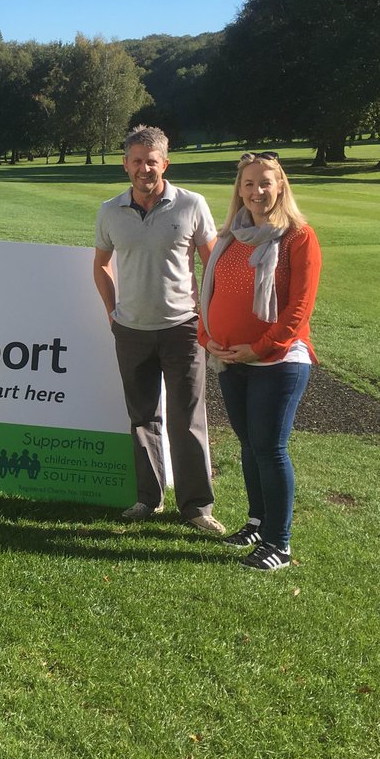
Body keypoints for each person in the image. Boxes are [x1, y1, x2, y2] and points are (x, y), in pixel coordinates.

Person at [93, 124, 225, 534]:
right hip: (130, 331)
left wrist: (207, 316)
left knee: (186, 418)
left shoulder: (192, 204)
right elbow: (100, 265)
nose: (144, 169)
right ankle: (149, 500)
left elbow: (213, 264)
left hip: (182, 328)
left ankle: (197, 507)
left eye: (152, 161)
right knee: (142, 417)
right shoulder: (110, 210)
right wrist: (112, 313)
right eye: (136, 161)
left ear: (164, 163)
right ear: (125, 165)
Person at [199, 152, 322, 570]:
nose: (256, 191)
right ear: (240, 190)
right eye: (248, 184)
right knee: (250, 445)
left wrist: (262, 347)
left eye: (265, 183)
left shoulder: (298, 237)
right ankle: (256, 522)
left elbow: (299, 308)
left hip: (280, 361)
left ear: (281, 187)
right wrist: (207, 338)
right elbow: (209, 296)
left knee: (270, 447)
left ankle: (278, 543)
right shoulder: (230, 237)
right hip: (231, 360)